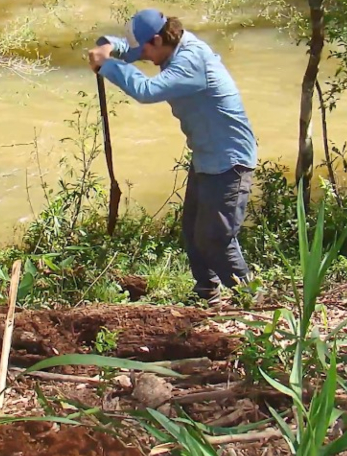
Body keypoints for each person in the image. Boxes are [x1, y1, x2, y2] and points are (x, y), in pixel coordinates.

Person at [88, 8, 258, 304]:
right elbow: (132, 52)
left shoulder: (190, 61)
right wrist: (109, 45)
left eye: (146, 50)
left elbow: (145, 89)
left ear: (157, 38)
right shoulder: (172, 46)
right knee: (193, 233)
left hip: (230, 161)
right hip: (208, 156)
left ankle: (252, 300)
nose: (146, 57)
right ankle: (208, 295)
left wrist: (107, 67)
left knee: (215, 240)